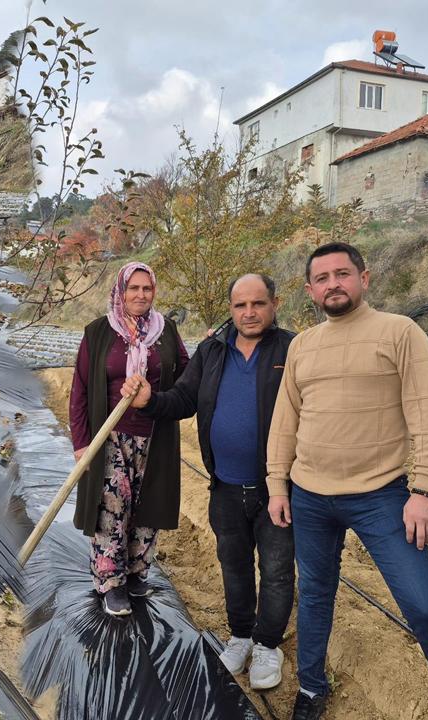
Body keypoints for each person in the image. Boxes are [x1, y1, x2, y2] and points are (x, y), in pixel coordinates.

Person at [265, 242, 428, 720]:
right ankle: (313, 689)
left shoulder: (399, 332)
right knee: (315, 594)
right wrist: (278, 484)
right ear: (310, 290)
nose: (333, 284)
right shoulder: (302, 345)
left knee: (423, 601)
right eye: (322, 278)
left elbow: (426, 413)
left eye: (342, 273)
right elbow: (285, 421)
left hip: (381, 496)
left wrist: (423, 491)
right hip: (311, 496)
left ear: (365, 277)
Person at [122, 273, 295, 689]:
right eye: (240, 306)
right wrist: (150, 402)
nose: (249, 313)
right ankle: (240, 636)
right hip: (225, 485)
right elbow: (184, 398)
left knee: (275, 570)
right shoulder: (212, 350)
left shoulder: (293, 349)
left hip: (277, 489)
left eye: (258, 304)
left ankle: (268, 645)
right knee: (233, 565)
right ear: (231, 309)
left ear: (275, 303)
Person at [69, 261, 189, 616]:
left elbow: (186, 376)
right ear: (120, 291)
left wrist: (210, 351)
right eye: (133, 288)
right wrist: (81, 444)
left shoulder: (166, 331)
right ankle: (110, 582)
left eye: (146, 288)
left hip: (155, 437)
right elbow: (80, 391)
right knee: (112, 507)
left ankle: (137, 573)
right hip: (110, 437)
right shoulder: (98, 333)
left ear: (154, 292)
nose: (140, 295)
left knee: (147, 509)